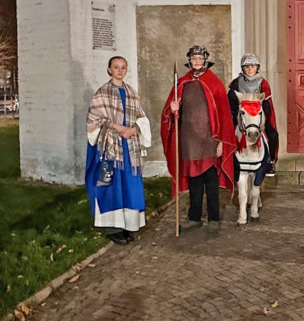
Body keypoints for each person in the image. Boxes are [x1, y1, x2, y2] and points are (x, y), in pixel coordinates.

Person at [161, 45, 236, 233]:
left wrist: (221, 142)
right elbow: (169, 113)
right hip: (189, 141)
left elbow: (224, 115)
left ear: (205, 60)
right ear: (189, 61)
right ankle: (194, 217)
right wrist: (172, 110)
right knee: (194, 183)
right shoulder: (182, 83)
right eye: (194, 59)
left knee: (211, 182)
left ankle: (213, 218)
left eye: (200, 59)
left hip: (209, 141)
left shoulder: (214, 82)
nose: (197, 62)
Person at [85, 56, 151, 245]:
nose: (120, 70)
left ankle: (127, 225)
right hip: (110, 147)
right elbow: (93, 119)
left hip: (129, 146)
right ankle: (113, 227)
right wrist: (115, 125)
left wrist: (134, 129)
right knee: (112, 184)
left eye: (123, 67)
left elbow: (142, 117)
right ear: (109, 69)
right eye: (116, 67)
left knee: (129, 184)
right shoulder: (102, 93)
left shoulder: (131, 93)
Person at [228, 53, 279, 177]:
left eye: (253, 66)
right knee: (228, 135)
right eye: (247, 67)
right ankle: (228, 163)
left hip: (257, 115)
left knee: (272, 135)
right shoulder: (236, 83)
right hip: (241, 115)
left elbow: (267, 103)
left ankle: (270, 161)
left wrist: (262, 117)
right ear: (243, 68)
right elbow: (230, 99)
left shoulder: (263, 83)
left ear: (257, 67)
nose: (250, 69)